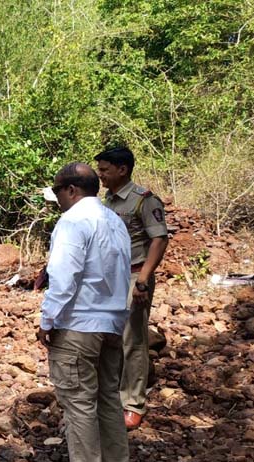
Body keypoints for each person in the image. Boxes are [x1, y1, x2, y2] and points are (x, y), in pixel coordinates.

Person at [39, 162, 131, 462]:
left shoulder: (72, 221)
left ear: (71, 190)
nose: (58, 199)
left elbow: (65, 277)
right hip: (113, 323)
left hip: (79, 325)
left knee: (79, 406)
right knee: (108, 400)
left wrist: (47, 320)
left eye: (58, 192)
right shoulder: (114, 221)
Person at [94, 146, 169, 430]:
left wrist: (143, 280)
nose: (100, 175)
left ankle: (133, 403)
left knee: (133, 341)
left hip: (134, 277)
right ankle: (112, 393)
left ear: (122, 170)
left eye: (105, 169)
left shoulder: (144, 201)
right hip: (110, 279)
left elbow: (159, 240)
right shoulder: (107, 202)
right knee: (109, 338)